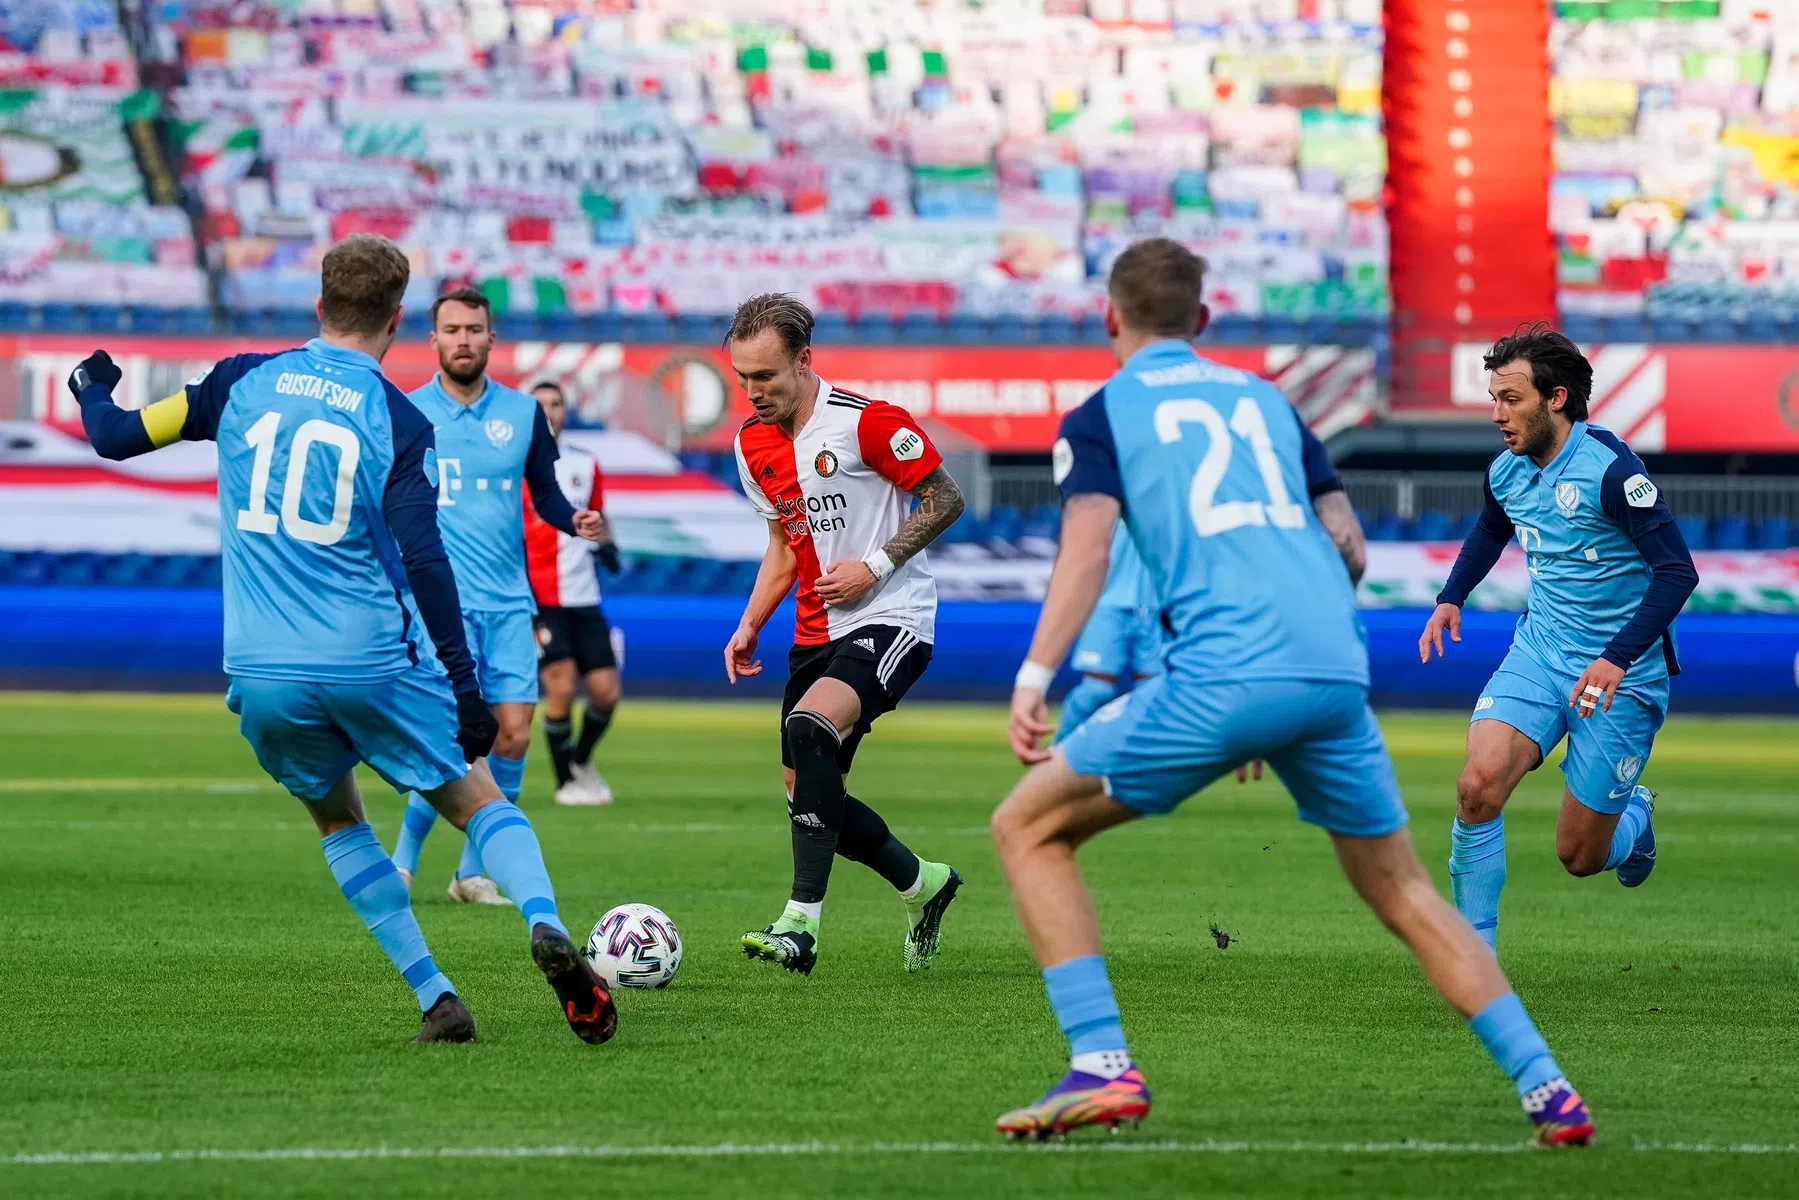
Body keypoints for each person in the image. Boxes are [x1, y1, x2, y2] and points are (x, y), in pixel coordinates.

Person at [992, 238, 1593, 1145]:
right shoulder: (1268, 402)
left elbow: (1085, 552)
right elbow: (1346, 543)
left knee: (1025, 828)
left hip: (1224, 673)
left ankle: (1101, 1066)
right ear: (1202, 319)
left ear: (1109, 316)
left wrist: (1035, 676)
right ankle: (1549, 1089)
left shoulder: (1100, 414)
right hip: (1330, 666)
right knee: (1403, 891)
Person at [68, 234, 615, 1045]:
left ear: (319, 305)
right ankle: (543, 922)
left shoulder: (236, 380)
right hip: (368, 657)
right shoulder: (399, 417)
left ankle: (436, 996)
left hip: (261, 668)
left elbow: (114, 436)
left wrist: (91, 387)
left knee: (337, 821)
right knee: (476, 800)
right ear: (397, 319)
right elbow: (425, 560)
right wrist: (464, 686)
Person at [1419, 325, 1698, 950]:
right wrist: (1450, 597)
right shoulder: (1506, 471)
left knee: (1579, 855)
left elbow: (1678, 573)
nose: (1498, 414)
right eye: (1494, 399)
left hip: (1620, 676)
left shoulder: (1612, 474)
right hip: (1540, 654)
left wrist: (1615, 658)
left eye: (1511, 399)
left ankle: (1635, 817)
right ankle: (1476, 961)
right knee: (1476, 787)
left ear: (1556, 398)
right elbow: (1491, 529)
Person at [722, 293, 965, 975]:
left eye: (765, 375)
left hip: (892, 617)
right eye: (742, 377)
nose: (753, 391)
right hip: (813, 632)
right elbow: (783, 545)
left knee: (809, 728)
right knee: (808, 792)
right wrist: (749, 623)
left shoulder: (867, 422)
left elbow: (946, 498)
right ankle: (924, 883)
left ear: (804, 359)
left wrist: (876, 566)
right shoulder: (750, 444)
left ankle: (799, 925)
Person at [388, 287, 605, 903]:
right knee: (446, 740)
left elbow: (546, 494)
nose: (464, 339)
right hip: (438, 607)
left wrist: (573, 520)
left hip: (509, 604)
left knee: (512, 734)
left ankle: (469, 873)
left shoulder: (523, 413)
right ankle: (402, 862)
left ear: (491, 338)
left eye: (474, 329)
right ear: (433, 338)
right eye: (452, 329)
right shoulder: (407, 412)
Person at [1056, 419, 1366, 745]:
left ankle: (1131, 760)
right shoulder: (1107, 488)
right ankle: (1058, 750)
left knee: (1150, 696)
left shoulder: (1184, 496)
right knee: (1096, 690)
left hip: (1158, 606)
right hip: (1109, 601)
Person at [525, 380, 624, 806]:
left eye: (556, 403)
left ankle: (581, 761)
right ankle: (565, 782)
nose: (549, 411)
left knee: (606, 693)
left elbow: (600, 515)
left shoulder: (585, 462)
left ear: (566, 410)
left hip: (584, 594)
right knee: (561, 687)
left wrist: (608, 545)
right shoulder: (516, 464)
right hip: (540, 594)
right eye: (540, 404)